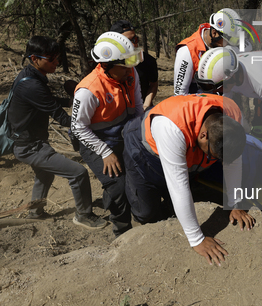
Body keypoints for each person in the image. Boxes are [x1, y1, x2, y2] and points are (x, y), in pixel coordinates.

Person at [123, 94, 255, 266]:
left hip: (187, 146)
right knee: (146, 211)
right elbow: (179, 186)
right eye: (212, 155)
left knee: (180, 193)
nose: (214, 159)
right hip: (145, 150)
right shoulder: (171, 127)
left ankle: (171, 209)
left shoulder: (233, 117)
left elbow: (233, 163)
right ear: (203, 136)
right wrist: (196, 239)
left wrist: (236, 203)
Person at [9, 36, 106, 229]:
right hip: (30, 147)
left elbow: (48, 100)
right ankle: (84, 215)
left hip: (29, 141)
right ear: (35, 59)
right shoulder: (31, 84)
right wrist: (85, 128)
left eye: (57, 58)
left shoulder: (31, 75)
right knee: (78, 173)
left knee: (45, 175)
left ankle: (35, 213)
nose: (56, 63)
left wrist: (75, 100)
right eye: (51, 59)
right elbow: (58, 115)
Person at [71, 32, 144, 236]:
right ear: (108, 65)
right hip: (95, 141)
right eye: (126, 63)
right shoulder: (88, 90)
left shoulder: (130, 74)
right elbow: (78, 128)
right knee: (118, 186)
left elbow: (138, 106)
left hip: (124, 135)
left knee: (139, 174)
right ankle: (121, 230)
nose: (131, 67)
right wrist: (105, 152)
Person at [174, 8, 249, 96]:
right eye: (226, 41)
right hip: (199, 104)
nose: (227, 45)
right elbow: (180, 94)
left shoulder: (222, 42)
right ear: (214, 33)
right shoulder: (187, 52)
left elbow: (247, 46)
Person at [110, 20, 158, 109]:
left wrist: (146, 105)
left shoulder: (148, 61)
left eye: (135, 40)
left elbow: (153, 85)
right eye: (127, 41)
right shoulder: (108, 63)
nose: (133, 45)